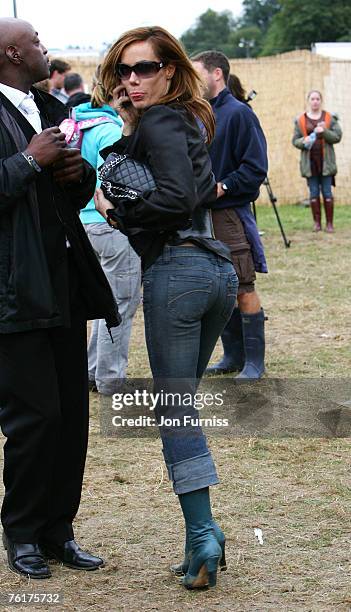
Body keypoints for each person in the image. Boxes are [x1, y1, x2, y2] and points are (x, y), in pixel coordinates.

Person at [95, 25, 238, 590]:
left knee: (175, 408)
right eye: (126, 71)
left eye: (146, 68)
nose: (133, 80)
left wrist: (117, 211)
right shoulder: (184, 121)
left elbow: (176, 198)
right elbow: (195, 193)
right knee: (182, 406)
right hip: (217, 271)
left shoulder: (159, 120)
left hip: (178, 272)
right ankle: (196, 539)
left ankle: (204, 531)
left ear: (171, 71)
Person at [0, 18, 120, 579]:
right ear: (12, 51)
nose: (46, 50)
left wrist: (75, 171)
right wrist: (29, 161)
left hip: (64, 282)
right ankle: (21, 534)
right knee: (35, 419)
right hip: (15, 291)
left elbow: (71, 188)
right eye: (37, 43)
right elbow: (19, 176)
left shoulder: (50, 108)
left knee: (72, 415)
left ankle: (58, 532)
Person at [191, 51, 268, 379]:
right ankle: (233, 356)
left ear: (217, 74)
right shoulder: (199, 114)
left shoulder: (239, 114)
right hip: (199, 215)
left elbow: (255, 167)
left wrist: (224, 186)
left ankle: (254, 363)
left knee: (242, 286)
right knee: (218, 289)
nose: (192, 82)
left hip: (228, 214)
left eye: (197, 74)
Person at [74, 66, 141, 394]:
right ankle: (111, 379)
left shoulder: (82, 121)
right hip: (109, 225)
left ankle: (92, 370)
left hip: (85, 225)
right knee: (122, 304)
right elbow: (121, 182)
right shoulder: (111, 129)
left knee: (107, 302)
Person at [292, 90, 342, 233]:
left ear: (321, 101)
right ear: (308, 101)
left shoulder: (329, 118)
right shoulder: (301, 120)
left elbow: (337, 137)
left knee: (327, 193)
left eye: (317, 99)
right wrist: (303, 140)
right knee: (314, 193)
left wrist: (324, 131)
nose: (315, 101)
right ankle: (317, 224)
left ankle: (330, 224)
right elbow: (295, 141)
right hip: (310, 163)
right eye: (312, 99)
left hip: (326, 163)